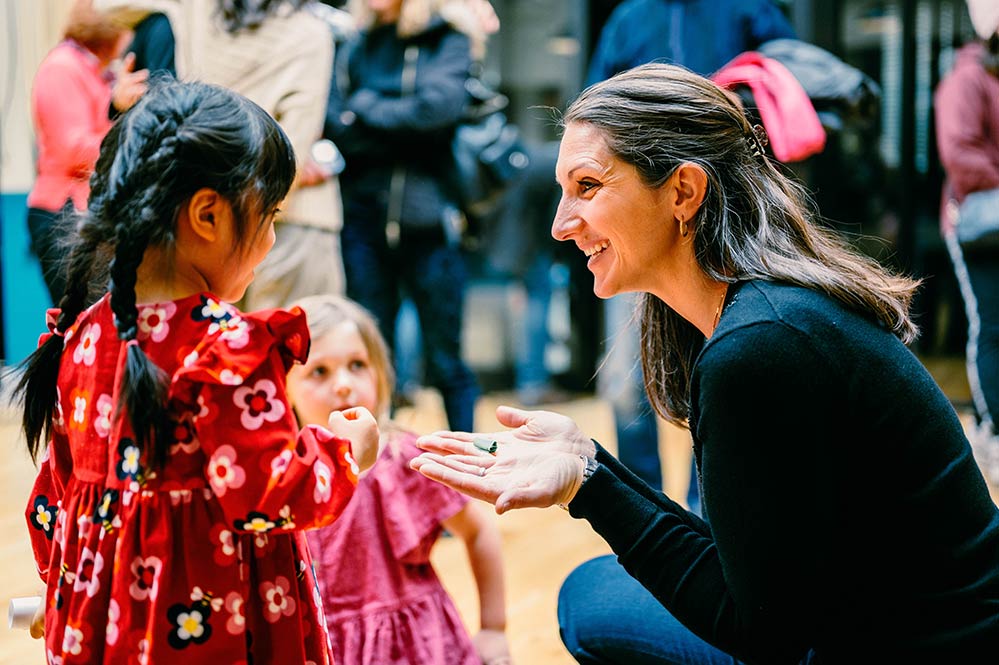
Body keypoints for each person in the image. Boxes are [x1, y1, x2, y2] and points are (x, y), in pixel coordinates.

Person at [410, 64, 999, 664]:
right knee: (593, 590)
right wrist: (588, 465)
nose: (561, 226)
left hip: (923, 647)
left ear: (683, 192)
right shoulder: (761, 315)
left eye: (587, 186)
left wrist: (590, 488)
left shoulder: (759, 347)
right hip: (869, 615)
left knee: (592, 604)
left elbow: (765, 633)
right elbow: (748, 561)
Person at [9, 79, 379, 663]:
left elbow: (52, 503)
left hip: (101, 630)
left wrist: (67, 588)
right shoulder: (227, 348)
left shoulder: (81, 337)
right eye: (270, 216)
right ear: (208, 215)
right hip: (212, 627)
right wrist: (344, 453)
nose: (271, 239)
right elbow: (269, 494)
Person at [586, 0, 796, 503]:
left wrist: (731, 113)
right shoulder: (630, 18)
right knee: (626, 381)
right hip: (638, 219)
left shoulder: (747, 7)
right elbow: (594, 112)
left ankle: (708, 510)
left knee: (725, 369)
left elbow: (784, 82)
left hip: (723, 216)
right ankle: (645, 509)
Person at [285, 293, 511, 665]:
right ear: (285, 388)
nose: (343, 384)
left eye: (357, 365)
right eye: (319, 372)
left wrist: (494, 629)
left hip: (415, 649)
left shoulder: (404, 460)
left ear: (380, 372)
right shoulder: (282, 475)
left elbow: (477, 530)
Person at [95, 0, 346, 310]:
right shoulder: (310, 35)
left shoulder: (197, 15)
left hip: (212, 224)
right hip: (291, 219)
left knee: (214, 336)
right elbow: (295, 146)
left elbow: (105, 7)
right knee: (293, 337)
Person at [322, 0, 486, 432]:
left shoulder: (446, 38)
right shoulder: (356, 42)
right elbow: (338, 125)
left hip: (430, 223)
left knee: (446, 362)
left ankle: (466, 464)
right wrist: (404, 126)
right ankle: (374, 462)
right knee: (371, 354)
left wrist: (366, 105)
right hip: (363, 222)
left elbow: (437, 111)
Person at [26, 0, 147, 304]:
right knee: (81, 320)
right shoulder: (62, 68)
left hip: (90, 210)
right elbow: (73, 150)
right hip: (63, 212)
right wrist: (131, 135)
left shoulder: (95, 71)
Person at [934, 0, 999, 487]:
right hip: (978, 225)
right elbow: (958, 152)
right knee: (992, 327)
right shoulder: (967, 79)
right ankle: (991, 431)